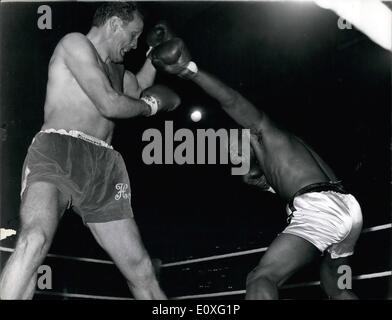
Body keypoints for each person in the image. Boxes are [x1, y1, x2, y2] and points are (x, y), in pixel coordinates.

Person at [149, 38, 363, 300]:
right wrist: (257, 178)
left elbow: (231, 100)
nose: (234, 156)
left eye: (234, 149)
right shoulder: (284, 156)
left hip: (322, 210)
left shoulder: (263, 130)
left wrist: (189, 71)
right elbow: (268, 178)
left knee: (261, 278)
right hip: (347, 209)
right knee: (337, 288)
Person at [0, 2, 180, 300]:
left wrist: (153, 54)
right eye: (133, 35)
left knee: (141, 268)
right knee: (34, 239)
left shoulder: (119, 71)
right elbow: (110, 103)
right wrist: (152, 107)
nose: (135, 44)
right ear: (113, 24)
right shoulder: (75, 43)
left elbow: (138, 87)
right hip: (59, 151)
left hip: (104, 165)